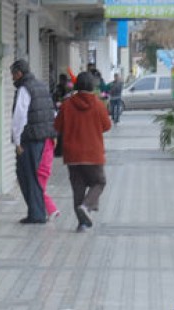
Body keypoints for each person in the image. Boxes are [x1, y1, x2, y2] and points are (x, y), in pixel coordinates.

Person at [54, 71, 112, 233]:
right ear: (92, 86)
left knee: (78, 188)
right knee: (99, 182)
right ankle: (86, 207)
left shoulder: (67, 104)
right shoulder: (98, 104)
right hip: (93, 154)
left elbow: (57, 126)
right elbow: (107, 126)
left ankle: (82, 224)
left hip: (72, 155)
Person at [10, 59, 58, 224]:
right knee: (33, 176)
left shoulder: (25, 89)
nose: (12, 79)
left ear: (19, 73)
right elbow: (51, 111)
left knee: (26, 175)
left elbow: (19, 117)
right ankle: (37, 212)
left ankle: (36, 214)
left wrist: (17, 141)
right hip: (43, 138)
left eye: (13, 75)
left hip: (29, 139)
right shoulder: (41, 86)